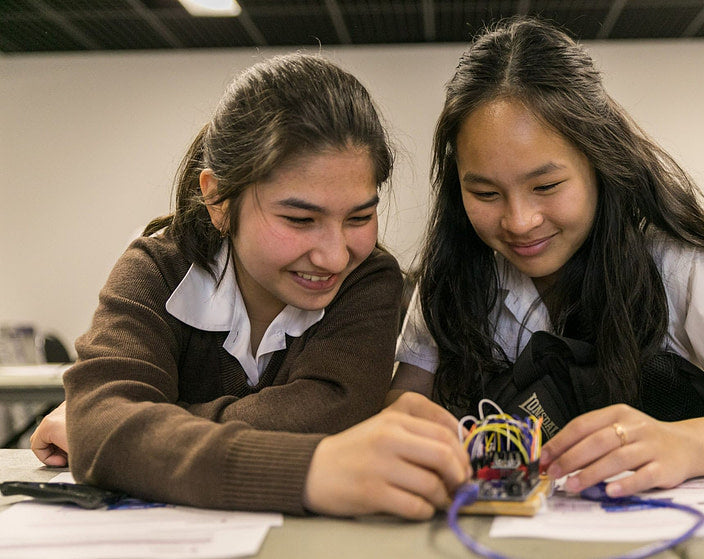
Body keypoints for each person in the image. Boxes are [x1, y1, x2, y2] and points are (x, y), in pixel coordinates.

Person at [390, 17, 704, 499]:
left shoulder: (677, 265)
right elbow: (404, 409)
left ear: (600, 162)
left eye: (546, 187)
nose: (519, 221)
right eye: (484, 192)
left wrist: (691, 442)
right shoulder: (453, 278)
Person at [30, 53, 470, 519]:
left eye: (360, 217)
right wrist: (309, 471)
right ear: (218, 199)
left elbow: (334, 412)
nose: (335, 255)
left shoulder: (368, 280)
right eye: (300, 219)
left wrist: (141, 430)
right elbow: (103, 426)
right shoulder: (155, 270)